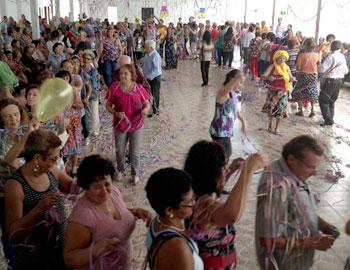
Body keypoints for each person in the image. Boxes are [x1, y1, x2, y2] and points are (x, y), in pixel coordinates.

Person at [255, 135, 338, 270]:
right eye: (311, 167)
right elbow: (268, 239)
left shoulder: (292, 170)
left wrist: (321, 224)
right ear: (292, 159)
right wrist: (313, 242)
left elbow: (295, 208)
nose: (316, 173)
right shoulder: (277, 188)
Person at [184, 140, 269, 270]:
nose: (225, 170)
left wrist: (229, 171)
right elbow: (231, 215)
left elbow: (214, 192)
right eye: (222, 167)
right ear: (209, 173)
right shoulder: (204, 204)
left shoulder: (195, 194)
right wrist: (249, 169)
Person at [5, 128, 78, 269]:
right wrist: (39, 208)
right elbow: (13, 232)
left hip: (61, 251)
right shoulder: (15, 185)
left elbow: (74, 187)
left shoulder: (51, 171)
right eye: (53, 158)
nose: (57, 162)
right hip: (35, 259)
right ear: (37, 158)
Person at [64, 155, 151, 270]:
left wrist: (134, 212)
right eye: (97, 187)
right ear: (86, 187)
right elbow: (70, 259)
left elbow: (114, 218)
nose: (104, 192)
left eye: (107, 184)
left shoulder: (114, 192)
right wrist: (95, 250)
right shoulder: (83, 215)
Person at [145, 167, 204, 270]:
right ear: (169, 210)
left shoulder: (156, 221)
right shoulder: (179, 249)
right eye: (189, 201)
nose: (194, 203)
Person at [105, 64, 151, 185]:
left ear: (132, 76)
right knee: (120, 150)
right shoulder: (114, 88)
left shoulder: (139, 89)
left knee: (134, 152)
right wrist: (115, 112)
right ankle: (120, 170)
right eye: (121, 73)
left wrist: (145, 110)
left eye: (126, 73)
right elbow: (108, 105)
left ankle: (135, 174)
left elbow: (147, 104)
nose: (123, 76)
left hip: (136, 124)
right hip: (120, 124)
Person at [0, 98, 30, 266]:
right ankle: (13, 263)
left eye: (16, 114)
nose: (13, 119)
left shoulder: (25, 131)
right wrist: (26, 137)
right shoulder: (1, 139)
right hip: (4, 193)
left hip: (26, 190)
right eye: (8, 116)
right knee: (9, 231)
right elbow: (10, 162)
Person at [209, 69, 247, 158]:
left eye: (242, 83)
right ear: (231, 79)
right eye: (240, 82)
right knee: (225, 154)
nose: (240, 85)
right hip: (220, 130)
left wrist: (243, 121)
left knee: (222, 154)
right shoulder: (223, 92)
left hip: (225, 130)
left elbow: (236, 109)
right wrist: (238, 78)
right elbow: (225, 90)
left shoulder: (232, 93)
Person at [261, 51, 296, 135]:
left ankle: (276, 127)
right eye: (280, 58)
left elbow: (290, 77)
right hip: (272, 92)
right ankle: (270, 124)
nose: (281, 59)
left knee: (280, 109)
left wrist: (292, 79)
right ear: (276, 58)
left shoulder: (287, 67)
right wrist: (268, 77)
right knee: (271, 109)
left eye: (283, 58)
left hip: (283, 92)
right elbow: (262, 77)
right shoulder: (272, 66)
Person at [318, 40, 348, 126]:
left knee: (323, 100)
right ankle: (330, 118)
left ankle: (328, 120)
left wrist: (319, 64)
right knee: (331, 100)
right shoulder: (342, 56)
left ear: (333, 47)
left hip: (330, 81)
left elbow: (321, 69)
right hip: (339, 81)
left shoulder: (331, 57)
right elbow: (345, 71)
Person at [291, 38, 320, 117]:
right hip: (313, 75)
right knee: (312, 92)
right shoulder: (317, 55)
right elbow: (318, 65)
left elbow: (298, 67)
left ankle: (301, 111)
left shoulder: (301, 55)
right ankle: (313, 110)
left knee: (298, 92)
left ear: (306, 46)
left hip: (303, 75)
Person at [142, 40, 162, 116]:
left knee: (155, 93)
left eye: (146, 47)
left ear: (151, 47)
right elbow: (144, 60)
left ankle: (156, 109)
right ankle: (149, 109)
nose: (145, 48)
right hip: (148, 77)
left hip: (154, 77)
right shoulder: (148, 54)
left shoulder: (155, 55)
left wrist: (147, 76)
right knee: (148, 93)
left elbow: (156, 69)